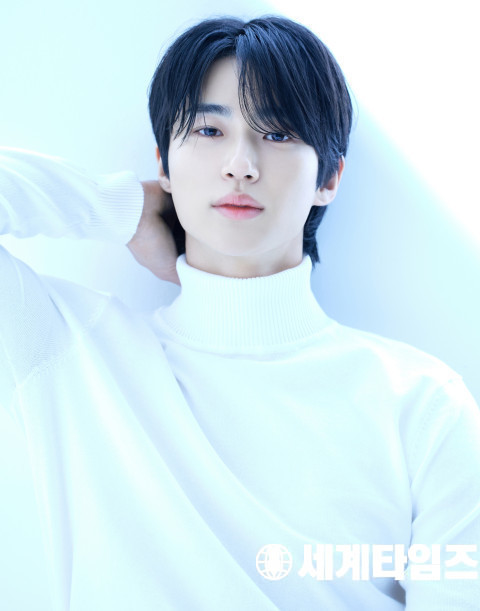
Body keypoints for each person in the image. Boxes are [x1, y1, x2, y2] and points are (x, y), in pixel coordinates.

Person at [1, 14, 479, 611]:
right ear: (164, 165)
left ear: (329, 177)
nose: (240, 165)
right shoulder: (75, 355)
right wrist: (117, 208)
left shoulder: (422, 403)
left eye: (277, 134)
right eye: (209, 129)